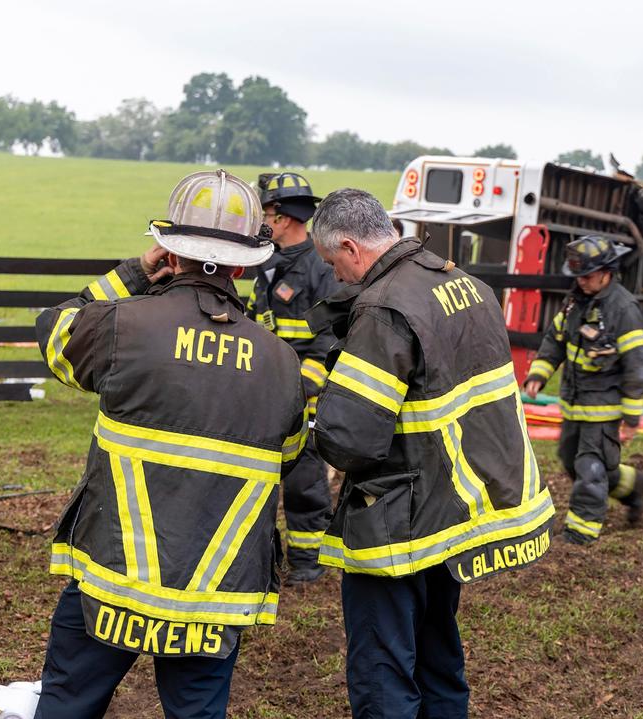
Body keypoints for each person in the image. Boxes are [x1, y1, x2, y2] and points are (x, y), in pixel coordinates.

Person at [33, 169, 307, 719]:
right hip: (215, 592)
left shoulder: (122, 327)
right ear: (241, 263)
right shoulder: (282, 362)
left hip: (116, 580)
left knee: (69, 702)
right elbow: (291, 453)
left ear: (169, 252)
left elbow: (54, 331)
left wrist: (132, 273)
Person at [306, 188, 555, 718]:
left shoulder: (381, 309)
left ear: (351, 248)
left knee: (383, 668)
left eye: (332, 263)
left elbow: (350, 439)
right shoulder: (464, 283)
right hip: (457, 509)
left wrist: (311, 419)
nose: (336, 278)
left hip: (400, 520)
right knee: (439, 653)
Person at [522, 234, 643, 544]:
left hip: (604, 409)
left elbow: (639, 365)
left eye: (588, 275)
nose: (581, 281)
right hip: (574, 405)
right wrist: (539, 374)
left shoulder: (624, 309)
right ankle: (633, 486)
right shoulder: (574, 303)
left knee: (590, 467)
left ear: (607, 272)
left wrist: (632, 417)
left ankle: (580, 534)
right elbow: (555, 340)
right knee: (571, 460)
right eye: (578, 275)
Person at [246, 171, 339, 584]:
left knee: (304, 484)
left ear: (283, 218)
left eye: (266, 213)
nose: (263, 221)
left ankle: (308, 561)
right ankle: (267, 556)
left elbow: (330, 339)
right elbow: (250, 322)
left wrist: (303, 387)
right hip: (263, 395)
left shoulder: (320, 267)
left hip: (306, 398)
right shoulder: (265, 264)